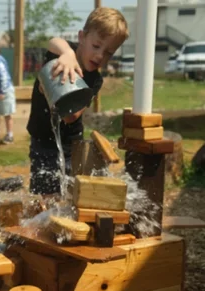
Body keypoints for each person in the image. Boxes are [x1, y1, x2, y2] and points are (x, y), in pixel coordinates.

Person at [26, 7, 129, 197]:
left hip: (71, 144)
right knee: (44, 193)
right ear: (82, 37)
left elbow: (71, 116)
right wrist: (67, 54)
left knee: (72, 193)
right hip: (42, 140)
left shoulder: (94, 80)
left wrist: (53, 93)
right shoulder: (61, 56)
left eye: (108, 53)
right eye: (96, 46)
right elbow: (53, 41)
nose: (100, 56)